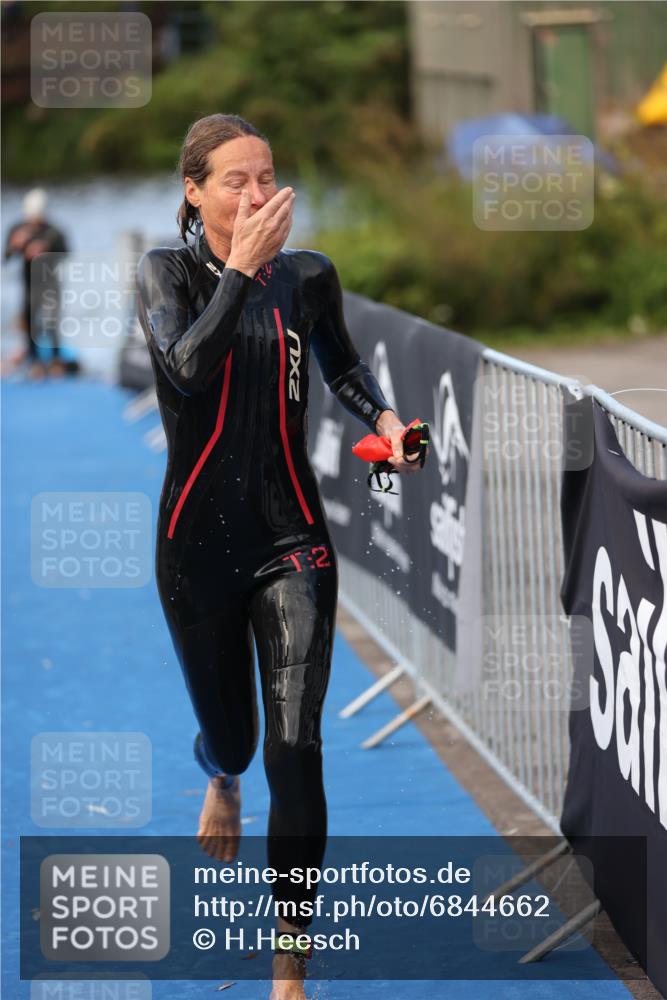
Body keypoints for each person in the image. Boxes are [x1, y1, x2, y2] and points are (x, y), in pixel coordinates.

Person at [136, 113, 425, 1000]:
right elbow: (187, 369)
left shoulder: (307, 277)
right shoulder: (166, 273)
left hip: (292, 540)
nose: (258, 194)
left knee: (296, 747)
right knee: (236, 738)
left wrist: (385, 421)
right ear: (194, 192)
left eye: (267, 177)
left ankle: (289, 957)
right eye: (235, 181)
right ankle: (218, 773)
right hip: (195, 550)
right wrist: (236, 271)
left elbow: (343, 368)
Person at [3, 188, 69, 380]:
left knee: (52, 321)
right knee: (29, 321)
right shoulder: (18, 229)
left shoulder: (53, 231)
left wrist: (46, 250)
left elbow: (66, 253)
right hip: (29, 284)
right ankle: (35, 362)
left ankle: (56, 360)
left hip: (50, 283)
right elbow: (6, 257)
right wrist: (15, 245)